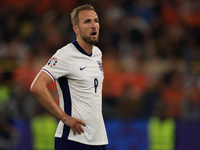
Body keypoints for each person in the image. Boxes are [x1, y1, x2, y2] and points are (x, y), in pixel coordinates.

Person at [30, 4, 108, 150]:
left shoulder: (97, 53)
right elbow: (37, 86)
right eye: (87, 21)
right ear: (76, 29)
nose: (94, 25)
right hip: (73, 139)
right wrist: (64, 117)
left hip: (98, 139)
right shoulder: (65, 55)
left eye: (96, 21)